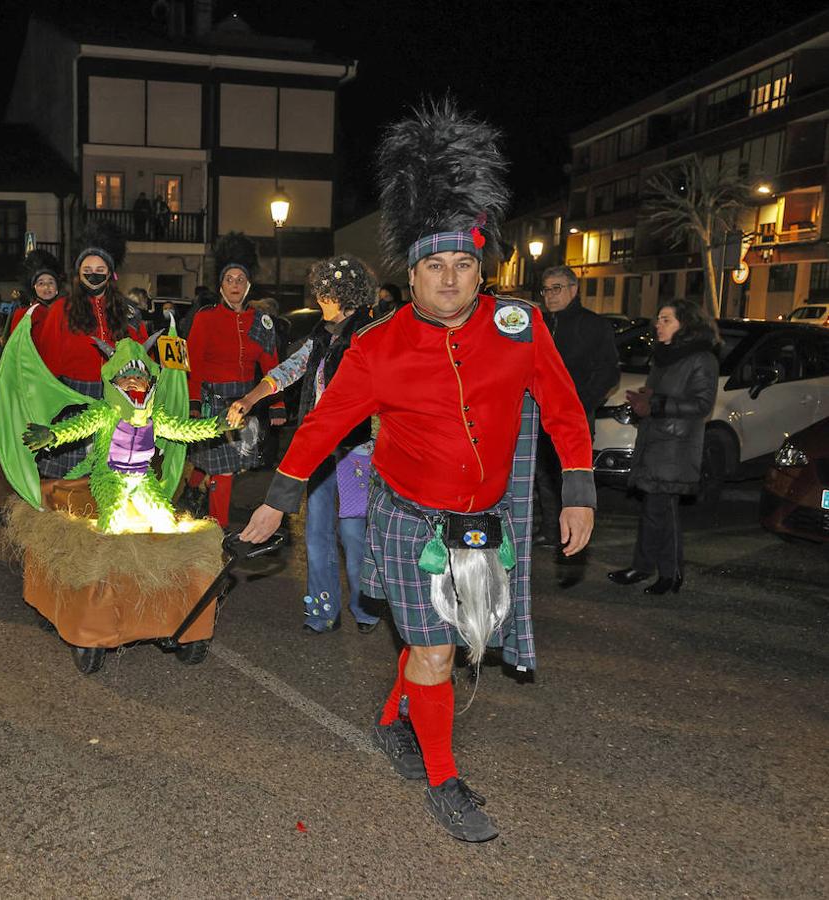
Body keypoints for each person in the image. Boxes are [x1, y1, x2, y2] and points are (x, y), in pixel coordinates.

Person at [240, 101, 596, 843]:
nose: (450, 279)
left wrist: (580, 493)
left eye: (464, 264)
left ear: (481, 268)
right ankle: (444, 780)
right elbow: (323, 426)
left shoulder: (519, 326)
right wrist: (277, 501)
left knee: (450, 638)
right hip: (406, 518)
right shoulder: (376, 347)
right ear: (412, 272)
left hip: (486, 523)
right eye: (435, 265)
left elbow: (564, 411)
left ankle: (387, 719)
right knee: (435, 647)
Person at [230, 255, 382, 633]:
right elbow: (288, 370)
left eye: (325, 290)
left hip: (356, 450)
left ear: (343, 293)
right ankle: (322, 611)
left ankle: (365, 608)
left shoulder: (368, 336)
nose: (318, 297)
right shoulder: (321, 334)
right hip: (319, 452)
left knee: (352, 533)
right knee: (316, 535)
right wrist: (250, 399)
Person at [607, 300, 718, 595]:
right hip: (654, 441)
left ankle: (670, 573)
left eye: (666, 319)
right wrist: (645, 399)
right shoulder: (664, 356)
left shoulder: (701, 358)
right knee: (652, 510)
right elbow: (664, 394)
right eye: (659, 319)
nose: (658, 325)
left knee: (663, 510)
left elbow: (702, 404)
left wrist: (657, 403)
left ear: (685, 324)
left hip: (675, 446)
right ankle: (644, 567)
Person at [32, 221, 147, 479]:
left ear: (110, 273)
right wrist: (46, 404)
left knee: (110, 476)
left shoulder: (128, 311)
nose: (94, 274)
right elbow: (47, 364)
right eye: (88, 269)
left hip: (117, 401)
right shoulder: (61, 309)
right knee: (67, 479)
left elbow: (143, 358)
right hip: (72, 399)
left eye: (100, 269)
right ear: (78, 273)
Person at [185, 233, 284, 527]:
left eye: (241, 279)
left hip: (245, 405)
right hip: (212, 403)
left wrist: (277, 405)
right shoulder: (206, 319)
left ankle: (193, 491)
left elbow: (272, 366)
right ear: (221, 285)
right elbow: (194, 365)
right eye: (230, 279)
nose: (236, 285)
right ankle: (218, 531)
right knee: (224, 470)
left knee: (222, 465)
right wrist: (192, 403)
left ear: (249, 284)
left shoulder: (260, 321)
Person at [536, 266, 618, 553]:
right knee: (543, 476)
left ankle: (570, 534)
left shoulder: (594, 325)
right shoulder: (540, 324)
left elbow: (608, 373)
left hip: (575, 418)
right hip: (540, 418)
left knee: (568, 476)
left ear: (574, 289)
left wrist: (578, 406)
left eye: (556, 288)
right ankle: (549, 530)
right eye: (546, 289)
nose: (550, 295)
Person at [9, 248, 64, 336]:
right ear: (33, 287)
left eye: (51, 282)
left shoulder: (66, 314)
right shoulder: (23, 315)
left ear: (57, 287)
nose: (47, 287)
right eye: (41, 283)